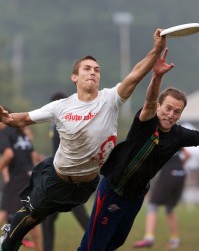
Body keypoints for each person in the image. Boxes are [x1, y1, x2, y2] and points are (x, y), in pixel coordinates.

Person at [0, 28, 167, 251]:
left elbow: (135, 75)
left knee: (52, 217)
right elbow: (26, 118)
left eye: (97, 70)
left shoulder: (110, 99)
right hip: (55, 179)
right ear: (75, 77)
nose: (93, 73)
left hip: (85, 186)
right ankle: (8, 239)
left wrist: (156, 50)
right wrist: (8, 119)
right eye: (87, 69)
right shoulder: (61, 107)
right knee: (32, 216)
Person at [78, 48, 199, 251]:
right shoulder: (147, 121)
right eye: (168, 108)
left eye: (177, 112)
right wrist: (157, 76)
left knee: (116, 241)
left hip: (136, 197)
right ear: (159, 107)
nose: (171, 114)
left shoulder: (179, 135)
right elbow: (150, 100)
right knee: (93, 245)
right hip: (113, 190)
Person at [42, 92, 90, 251]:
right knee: (48, 218)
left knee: (80, 215)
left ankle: (99, 241)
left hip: (68, 177)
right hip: (58, 176)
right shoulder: (54, 124)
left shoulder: (66, 123)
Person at [133, 148, 191, 249]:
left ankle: (149, 238)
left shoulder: (162, 142)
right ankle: (175, 240)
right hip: (181, 175)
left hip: (169, 174)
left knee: (152, 205)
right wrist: (180, 165)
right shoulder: (178, 142)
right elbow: (188, 154)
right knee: (170, 209)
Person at [0, 122, 44, 251]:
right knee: (30, 215)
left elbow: (8, 154)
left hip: (17, 177)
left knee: (3, 211)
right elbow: (32, 155)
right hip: (29, 176)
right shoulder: (19, 132)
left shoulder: (4, 133)